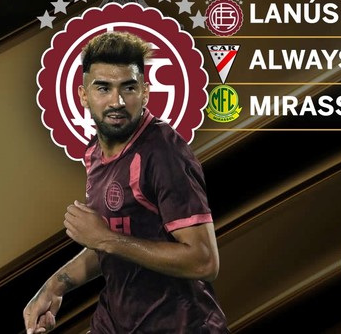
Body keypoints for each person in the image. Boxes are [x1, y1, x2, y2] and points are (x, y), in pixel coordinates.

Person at [24, 31, 228, 333]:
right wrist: (54, 286)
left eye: (128, 88)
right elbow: (112, 241)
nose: (116, 101)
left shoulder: (164, 152)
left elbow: (204, 261)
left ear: (145, 92)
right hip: (117, 322)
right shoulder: (94, 153)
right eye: (103, 88)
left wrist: (106, 239)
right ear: (83, 95)